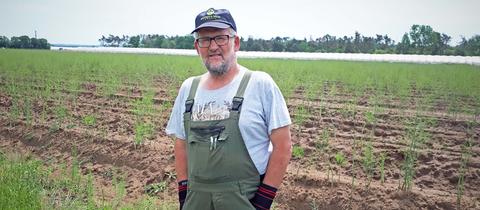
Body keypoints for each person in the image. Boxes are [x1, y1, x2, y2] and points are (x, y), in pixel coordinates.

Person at [165, 8, 292, 210]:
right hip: (196, 200)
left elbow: (283, 146)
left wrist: (263, 202)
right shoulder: (189, 88)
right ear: (197, 47)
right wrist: (184, 196)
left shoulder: (259, 84)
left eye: (221, 38)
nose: (213, 46)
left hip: (243, 200)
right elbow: (181, 145)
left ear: (236, 42)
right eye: (205, 40)